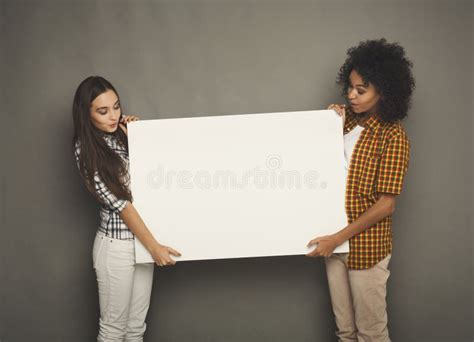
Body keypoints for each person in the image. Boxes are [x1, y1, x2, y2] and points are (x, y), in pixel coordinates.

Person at [306, 38, 415, 342]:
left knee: (371, 334)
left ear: (385, 92)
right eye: (350, 88)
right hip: (334, 242)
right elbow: (321, 169)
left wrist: (336, 239)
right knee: (345, 332)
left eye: (361, 90)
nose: (352, 95)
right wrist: (328, 123)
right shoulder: (345, 123)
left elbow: (386, 205)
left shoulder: (394, 137)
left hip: (365, 247)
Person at [72, 76, 181, 342]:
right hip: (117, 246)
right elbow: (122, 203)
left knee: (135, 329)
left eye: (116, 107)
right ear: (86, 114)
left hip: (142, 243)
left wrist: (137, 139)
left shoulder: (120, 138)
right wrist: (154, 247)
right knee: (113, 330)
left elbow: (156, 180)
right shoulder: (85, 149)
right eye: (102, 111)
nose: (113, 116)